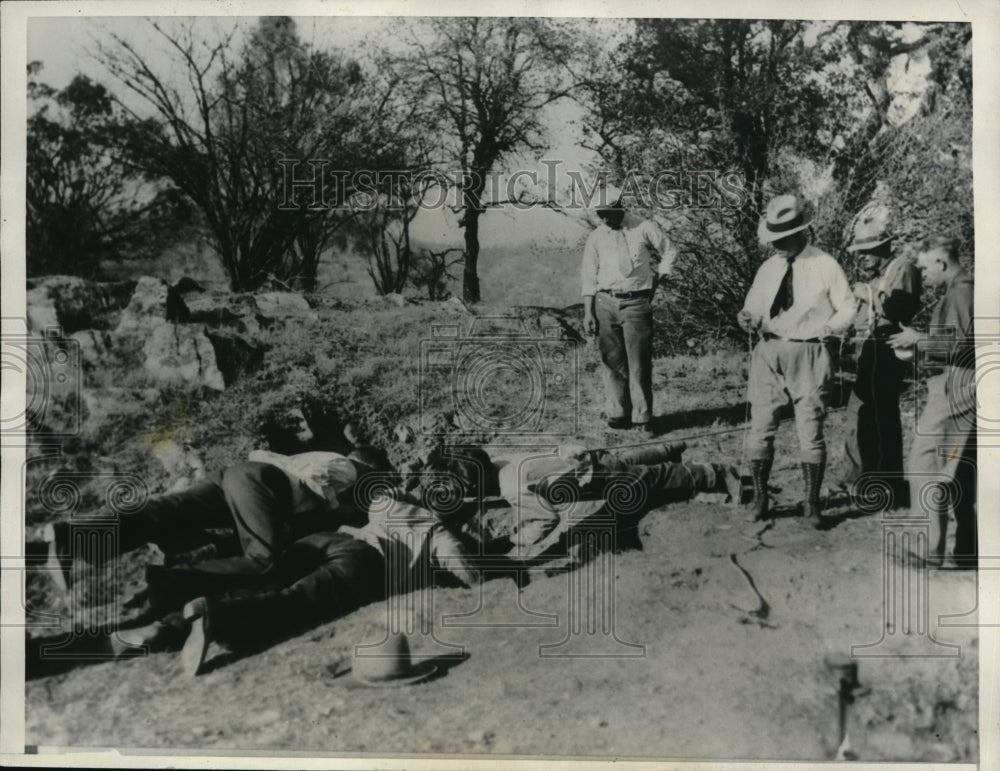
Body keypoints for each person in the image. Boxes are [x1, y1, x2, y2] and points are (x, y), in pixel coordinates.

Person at [107, 452, 490, 676]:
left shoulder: (389, 500)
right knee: (296, 604)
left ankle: (166, 626)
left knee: (265, 580)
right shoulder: (436, 528)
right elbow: (462, 565)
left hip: (329, 539)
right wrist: (481, 580)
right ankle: (214, 617)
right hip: (364, 563)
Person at [43, 446, 391, 598]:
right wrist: (333, 511)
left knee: (168, 511)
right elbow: (314, 480)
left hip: (237, 478)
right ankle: (174, 583)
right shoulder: (347, 466)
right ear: (367, 467)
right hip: (262, 483)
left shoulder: (320, 456)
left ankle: (72, 537)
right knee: (264, 559)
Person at [737, 194, 855, 527]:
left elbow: (847, 306)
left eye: (783, 238)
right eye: (773, 238)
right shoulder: (768, 268)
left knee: (810, 430)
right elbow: (753, 307)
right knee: (760, 428)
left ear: (801, 232)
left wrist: (829, 328)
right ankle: (761, 499)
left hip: (810, 354)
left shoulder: (825, 265)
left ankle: (812, 504)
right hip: (768, 352)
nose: (776, 245)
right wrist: (746, 317)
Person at [494, 442, 742, 558]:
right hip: (584, 463)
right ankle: (665, 451)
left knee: (653, 478)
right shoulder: (500, 461)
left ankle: (717, 472)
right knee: (624, 464)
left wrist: (511, 541)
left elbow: (546, 520)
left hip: (591, 474)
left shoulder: (512, 488)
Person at [889, 236, 976, 567]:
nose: (923, 275)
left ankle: (928, 549)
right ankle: (967, 550)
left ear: (941, 262)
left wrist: (918, 339)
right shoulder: (960, 290)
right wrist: (917, 349)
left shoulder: (961, 292)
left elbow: (962, 344)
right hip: (958, 384)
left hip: (956, 388)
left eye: (925, 268)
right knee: (959, 469)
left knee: (924, 462)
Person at [841, 210, 922, 510]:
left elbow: (898, 310)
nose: (861, 258)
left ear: (883, 248)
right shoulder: (880, 276)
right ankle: (865, 481)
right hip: (873, 348)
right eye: (859, 253)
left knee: (882, 418)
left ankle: (887, 487)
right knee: (864, 414)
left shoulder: (902, 269)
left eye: (867, 251)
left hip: (888, 348)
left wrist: (868, 295)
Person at [581, 194, 677, 434]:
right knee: (612, 360)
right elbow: (588, 275)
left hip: (636, 303)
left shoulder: (643, 227)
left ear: (619, 208)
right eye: (600, 215)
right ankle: (618, 414)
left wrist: (657, 279)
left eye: (608, 214)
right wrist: (588, 312)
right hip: (605, 303)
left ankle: (643, 418)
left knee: (638, 363)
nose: (604, 219)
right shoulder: (596, 236)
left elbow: (670, 251)